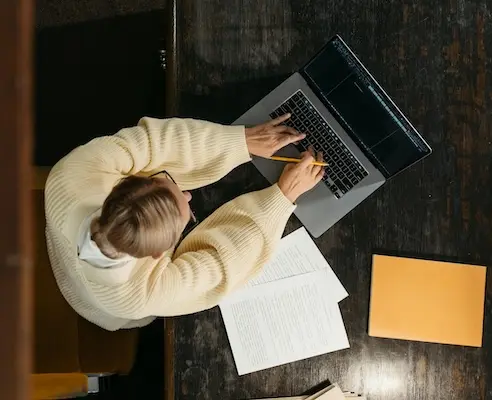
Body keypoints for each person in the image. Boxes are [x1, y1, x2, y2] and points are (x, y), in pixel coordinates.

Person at [45, 114, 324, 331]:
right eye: (186, 213)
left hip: (63, 245)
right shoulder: (137, 295)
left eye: (169, 184)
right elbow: (221, 265)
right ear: (159, 254)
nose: (188, 194)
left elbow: (153, 142)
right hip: (97, 305)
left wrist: (241, 141)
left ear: (127, 183)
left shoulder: (71, 174)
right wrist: (284, 195)